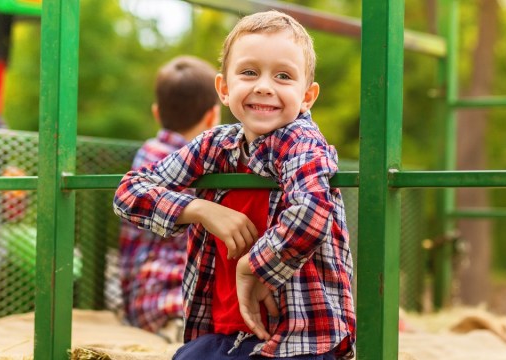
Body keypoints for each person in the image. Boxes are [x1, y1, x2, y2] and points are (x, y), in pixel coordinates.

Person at [114, 10, 356, 359]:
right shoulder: (216, 146)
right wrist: (199, 209)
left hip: (297, 338)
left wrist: (253, 267)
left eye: (284, 76)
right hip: (222, 330)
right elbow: (129, 191)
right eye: (249, 72)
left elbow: (311, 211)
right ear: (224, 89)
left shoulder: (302, 144)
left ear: (307, 96)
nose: (264, 86)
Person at [117, 55, 221, 338]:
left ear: (156, 112)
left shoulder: (147, 154)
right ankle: (177, 328)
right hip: (173, 296)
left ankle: (176, 328)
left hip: (141, 298)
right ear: (212, 116)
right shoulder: (201, 166)